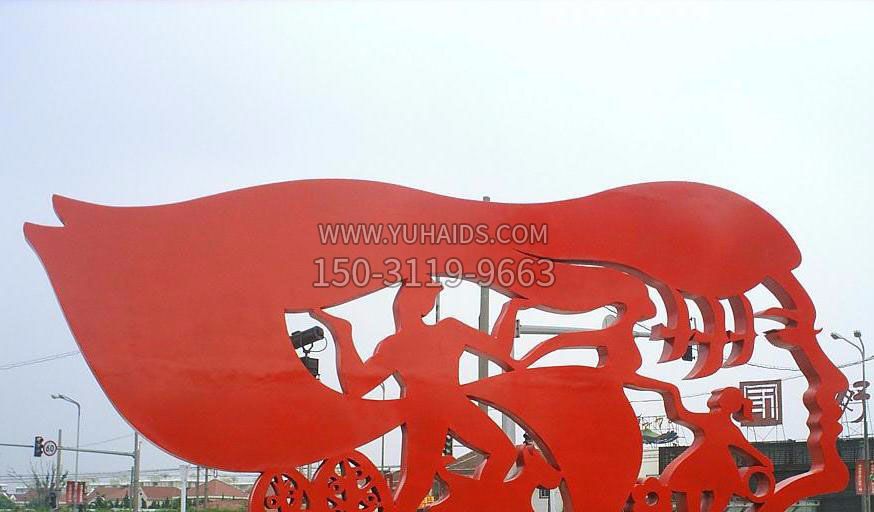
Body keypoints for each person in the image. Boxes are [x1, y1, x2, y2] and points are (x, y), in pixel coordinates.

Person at [311, 282, 524, 511]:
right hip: (442, 410)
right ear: (426, 304)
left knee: (419, 482)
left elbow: (355, 384)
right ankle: (473, 501)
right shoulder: (444, 332)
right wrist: (511, 308)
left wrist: (343, 333)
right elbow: (500, 347)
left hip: (433, 412)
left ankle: (472, 501)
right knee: (496, 455)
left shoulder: (403, 342)